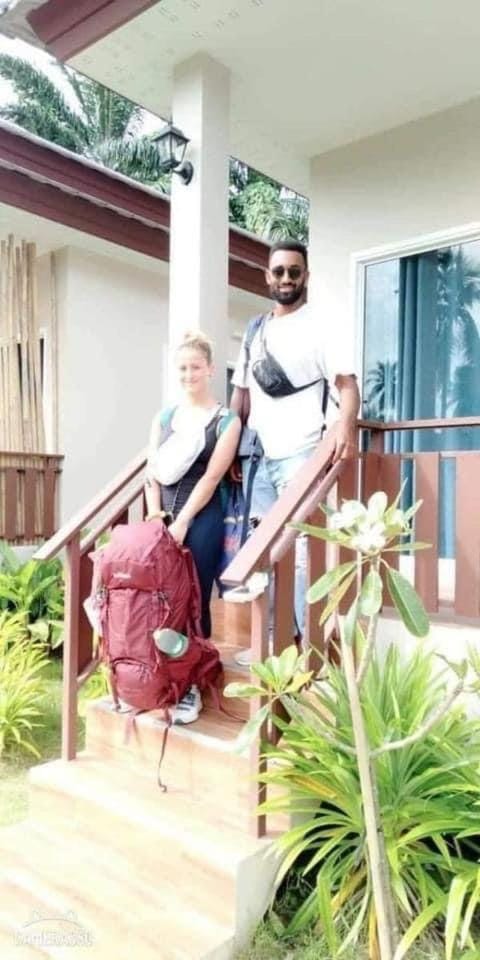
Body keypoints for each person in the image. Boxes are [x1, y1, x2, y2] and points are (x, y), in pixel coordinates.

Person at [229, 239, 360, 665]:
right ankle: (269, 645)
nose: (286, 278)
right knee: (262, 552)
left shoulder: (320, 325)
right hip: (260, 458)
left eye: (294, 271)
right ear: (267, 277)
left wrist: (345, 427)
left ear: (305, 276)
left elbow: (346, 385)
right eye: (279, 271)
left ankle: (309, 648)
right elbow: (241, 397)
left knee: (301, 553)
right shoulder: (255, 331)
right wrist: (232, 448)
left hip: (303, 455)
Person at [145, 330, 241, 720]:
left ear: (210, 369)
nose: (189, 374)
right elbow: (152, 472)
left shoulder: (225, 421)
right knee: (158, 601)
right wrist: (156, 518)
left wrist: (182, 522)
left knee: (194, 600)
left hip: (201, 520)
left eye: (196, 367)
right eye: (183, 367)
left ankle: (192, 687)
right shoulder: (165, 416)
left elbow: (211, 477)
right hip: (162, 517)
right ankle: (162, 677)